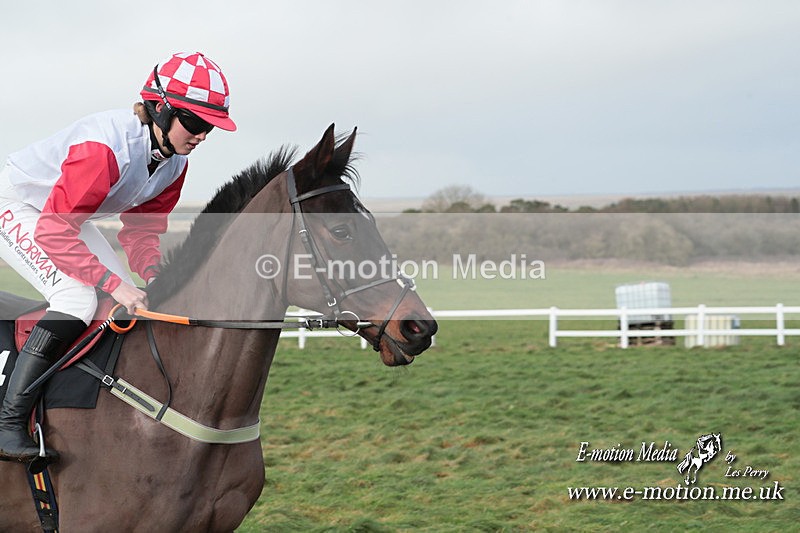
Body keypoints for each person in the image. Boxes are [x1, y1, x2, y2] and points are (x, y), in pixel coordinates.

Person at [0, 52, 236, 464]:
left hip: (62, 214)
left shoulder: (174, 164)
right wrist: (115, 282)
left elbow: (142, 230)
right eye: (195, 123)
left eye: (210, 128)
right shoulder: (104, 149)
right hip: (18, 205)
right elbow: (54, 231)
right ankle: (7, 422)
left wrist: (154, 276)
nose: (201, 136)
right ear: (161, 109)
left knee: (116, 299)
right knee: (78, 299)